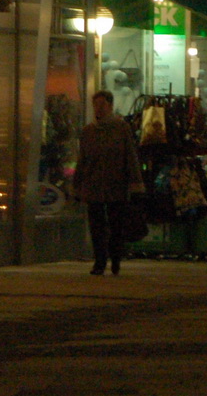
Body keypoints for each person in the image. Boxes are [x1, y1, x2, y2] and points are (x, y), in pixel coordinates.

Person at [71, 91, 144, 275]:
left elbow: (130, 156)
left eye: (102, 105)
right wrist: (77, 184)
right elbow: (83, 159)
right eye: (96, 105)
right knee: (96, 226)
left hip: (115, 185)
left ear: (110, 106)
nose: (98, 109)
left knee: (115, 225)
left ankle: (116, 259)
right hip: (94, 185)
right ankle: (100, 261)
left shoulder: (121, 128)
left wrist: (135, 183)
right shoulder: (89, 131)